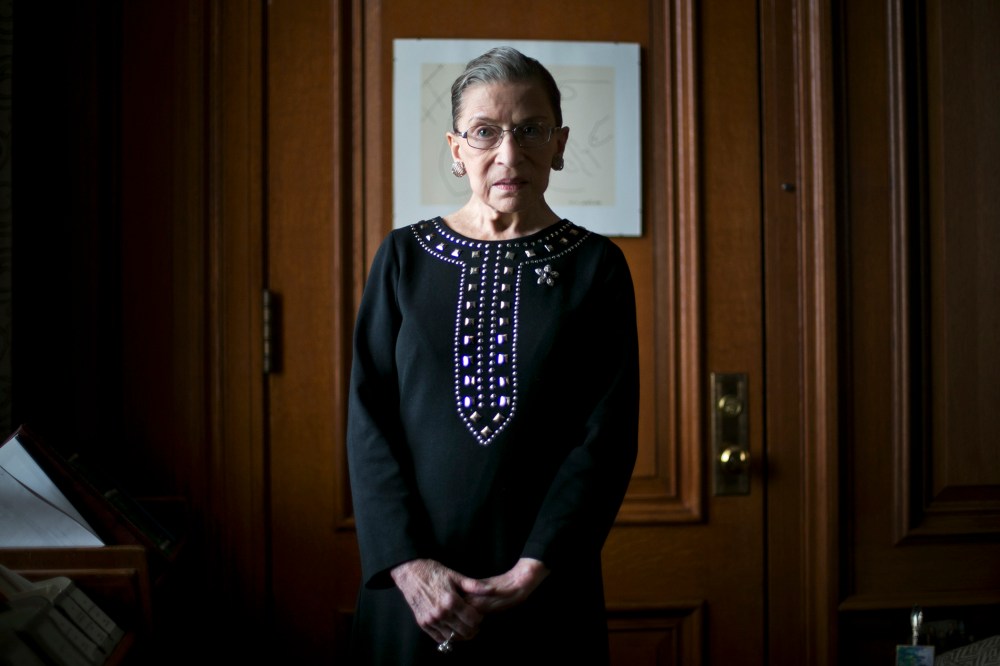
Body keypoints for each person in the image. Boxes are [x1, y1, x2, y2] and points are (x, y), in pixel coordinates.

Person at [347, 46, 639, 665]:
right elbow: (368, 420)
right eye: (485, 133)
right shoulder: (402, 260)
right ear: (457, 149)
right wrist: (408, 567)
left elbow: (606, 437)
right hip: (412, 596)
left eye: (530, 130)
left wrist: (535, 568)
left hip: (547, 591)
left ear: (559, 144)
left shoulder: (597, 269)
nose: (509, 154)